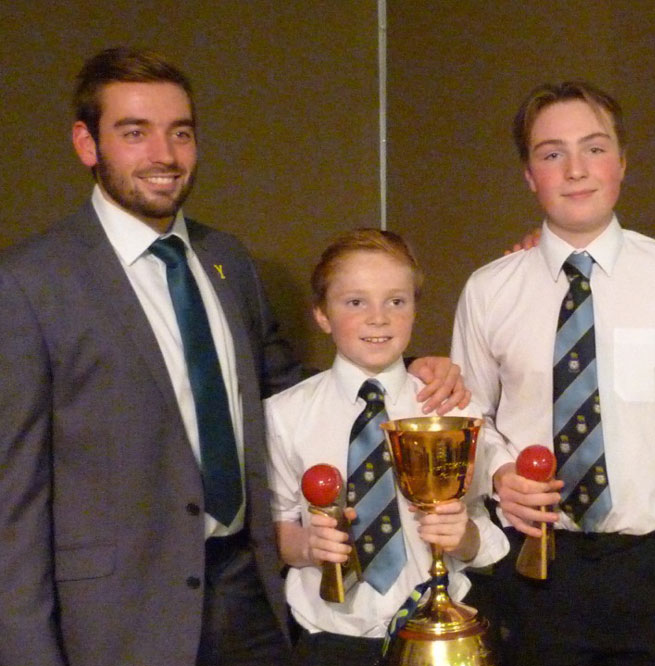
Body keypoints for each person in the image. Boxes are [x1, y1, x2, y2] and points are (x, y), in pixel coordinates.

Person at [0, 47, 466, 666]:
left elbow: (296, 397)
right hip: (119, 619)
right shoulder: (33, 282)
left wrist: (411, 375)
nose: (163, 155)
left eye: (180, 133)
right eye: (134, 133)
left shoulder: (228, 262)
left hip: (253, 600)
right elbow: (15, 497)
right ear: (87, 144)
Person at [452, 80, 655, 666]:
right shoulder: (489, 290)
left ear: (622, 161)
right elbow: (469, 414)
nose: (575, 169)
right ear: (529, 174)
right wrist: (498, 474)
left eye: (594, 148)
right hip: (533, 565)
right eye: (551, 153)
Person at [265, 229, 508, 665]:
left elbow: (482, 531)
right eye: (355, 302)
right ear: (322, 314)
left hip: (439, 640)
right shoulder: (284, 415)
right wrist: (307, 547)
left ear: (414, 309)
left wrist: (463, 537)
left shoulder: (450, 411)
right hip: (331, 641)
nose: (379, 318)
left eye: (396, 301)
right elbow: (276, 528)